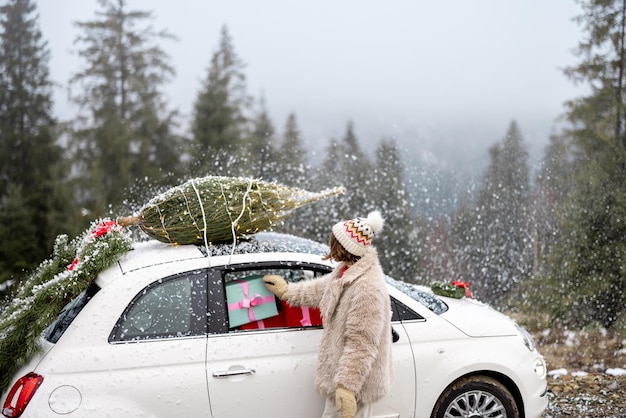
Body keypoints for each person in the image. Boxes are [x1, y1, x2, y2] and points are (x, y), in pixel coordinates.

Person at [263, 211, 393, 418]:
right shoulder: (347, 271)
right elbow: (321, 290)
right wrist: (287, 292)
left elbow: (362, 344)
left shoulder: (368, 288)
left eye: (334, 242)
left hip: (355, 386)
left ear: (345, 247)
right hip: (343, 378)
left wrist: (347, 388)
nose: (329, 246)